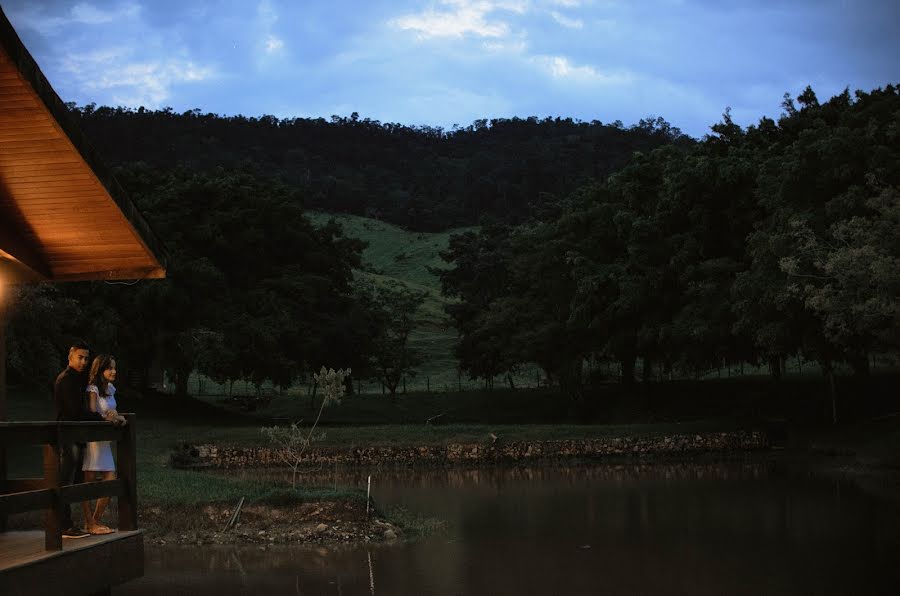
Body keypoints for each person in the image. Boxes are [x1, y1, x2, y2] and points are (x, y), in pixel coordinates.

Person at [53, 341, 125, 538]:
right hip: (68, 436)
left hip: (80, 437)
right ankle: (64, 526)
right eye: (80, 357)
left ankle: (81, 522)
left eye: (86, 358)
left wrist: (111, 416)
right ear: (70, 355)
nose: (83, 361)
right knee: (65, 480)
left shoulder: (78, 379)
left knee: (75, 480)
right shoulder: (66, 379)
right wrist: (104, 418)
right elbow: (76, 412)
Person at [82, 354, 127, 534]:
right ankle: (89, 522)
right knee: (89, 482)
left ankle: (94, 521)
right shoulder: (93, 389)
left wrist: (116, 417)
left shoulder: (111, 389)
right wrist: (108, 418)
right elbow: (93, 412)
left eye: (115, 368)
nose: (114, 371)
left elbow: (113, 410)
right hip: (94, 442)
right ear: (101, 370)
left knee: (110, 480)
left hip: (105, 443)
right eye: (110, 368)